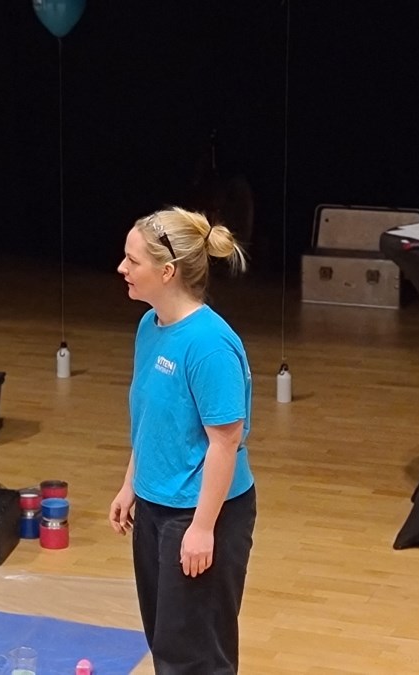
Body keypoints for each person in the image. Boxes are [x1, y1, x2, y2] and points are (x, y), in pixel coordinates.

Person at [108, 206, 257, 674]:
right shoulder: (150, 326)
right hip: (156, 505)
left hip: (200, 512)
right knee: (166, 644)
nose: (122, 268)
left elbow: (225, 442)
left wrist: (203, 528)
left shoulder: (210, 345)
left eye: (133, 260)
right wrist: (131, 483)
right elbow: (154, 419)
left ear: (167, 272)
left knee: (196, 655)